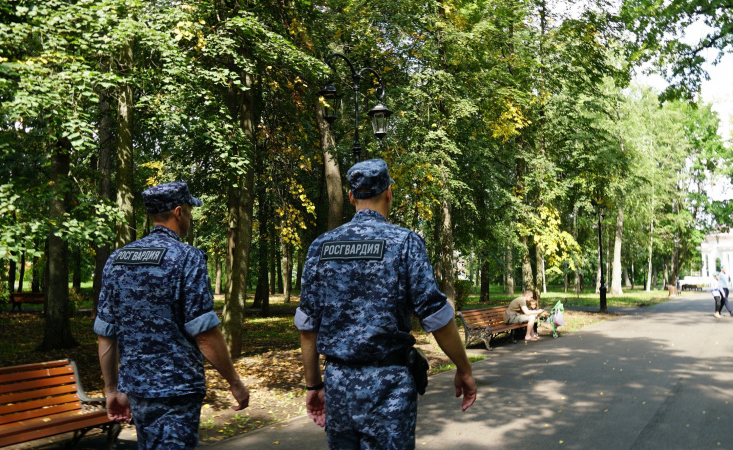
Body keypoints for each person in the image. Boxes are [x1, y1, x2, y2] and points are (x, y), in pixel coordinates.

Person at [294, 159, 477, 449]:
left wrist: (314, 384)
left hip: (338, 386)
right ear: (388, 192)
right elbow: (435, 316)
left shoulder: (321, 247)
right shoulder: (404, 243)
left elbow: (307, 327)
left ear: (352, 197)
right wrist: (464, 368)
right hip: (389, 387)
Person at [95, 182, 249, 449]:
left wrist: (112, 390)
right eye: (189, 211)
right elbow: (204, 334)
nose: (190, 217)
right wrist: (234, 382)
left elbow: (106, 335)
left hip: (137, 389)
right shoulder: (187, 258)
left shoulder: (117, 259)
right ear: (178, 212)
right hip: (177, 391)